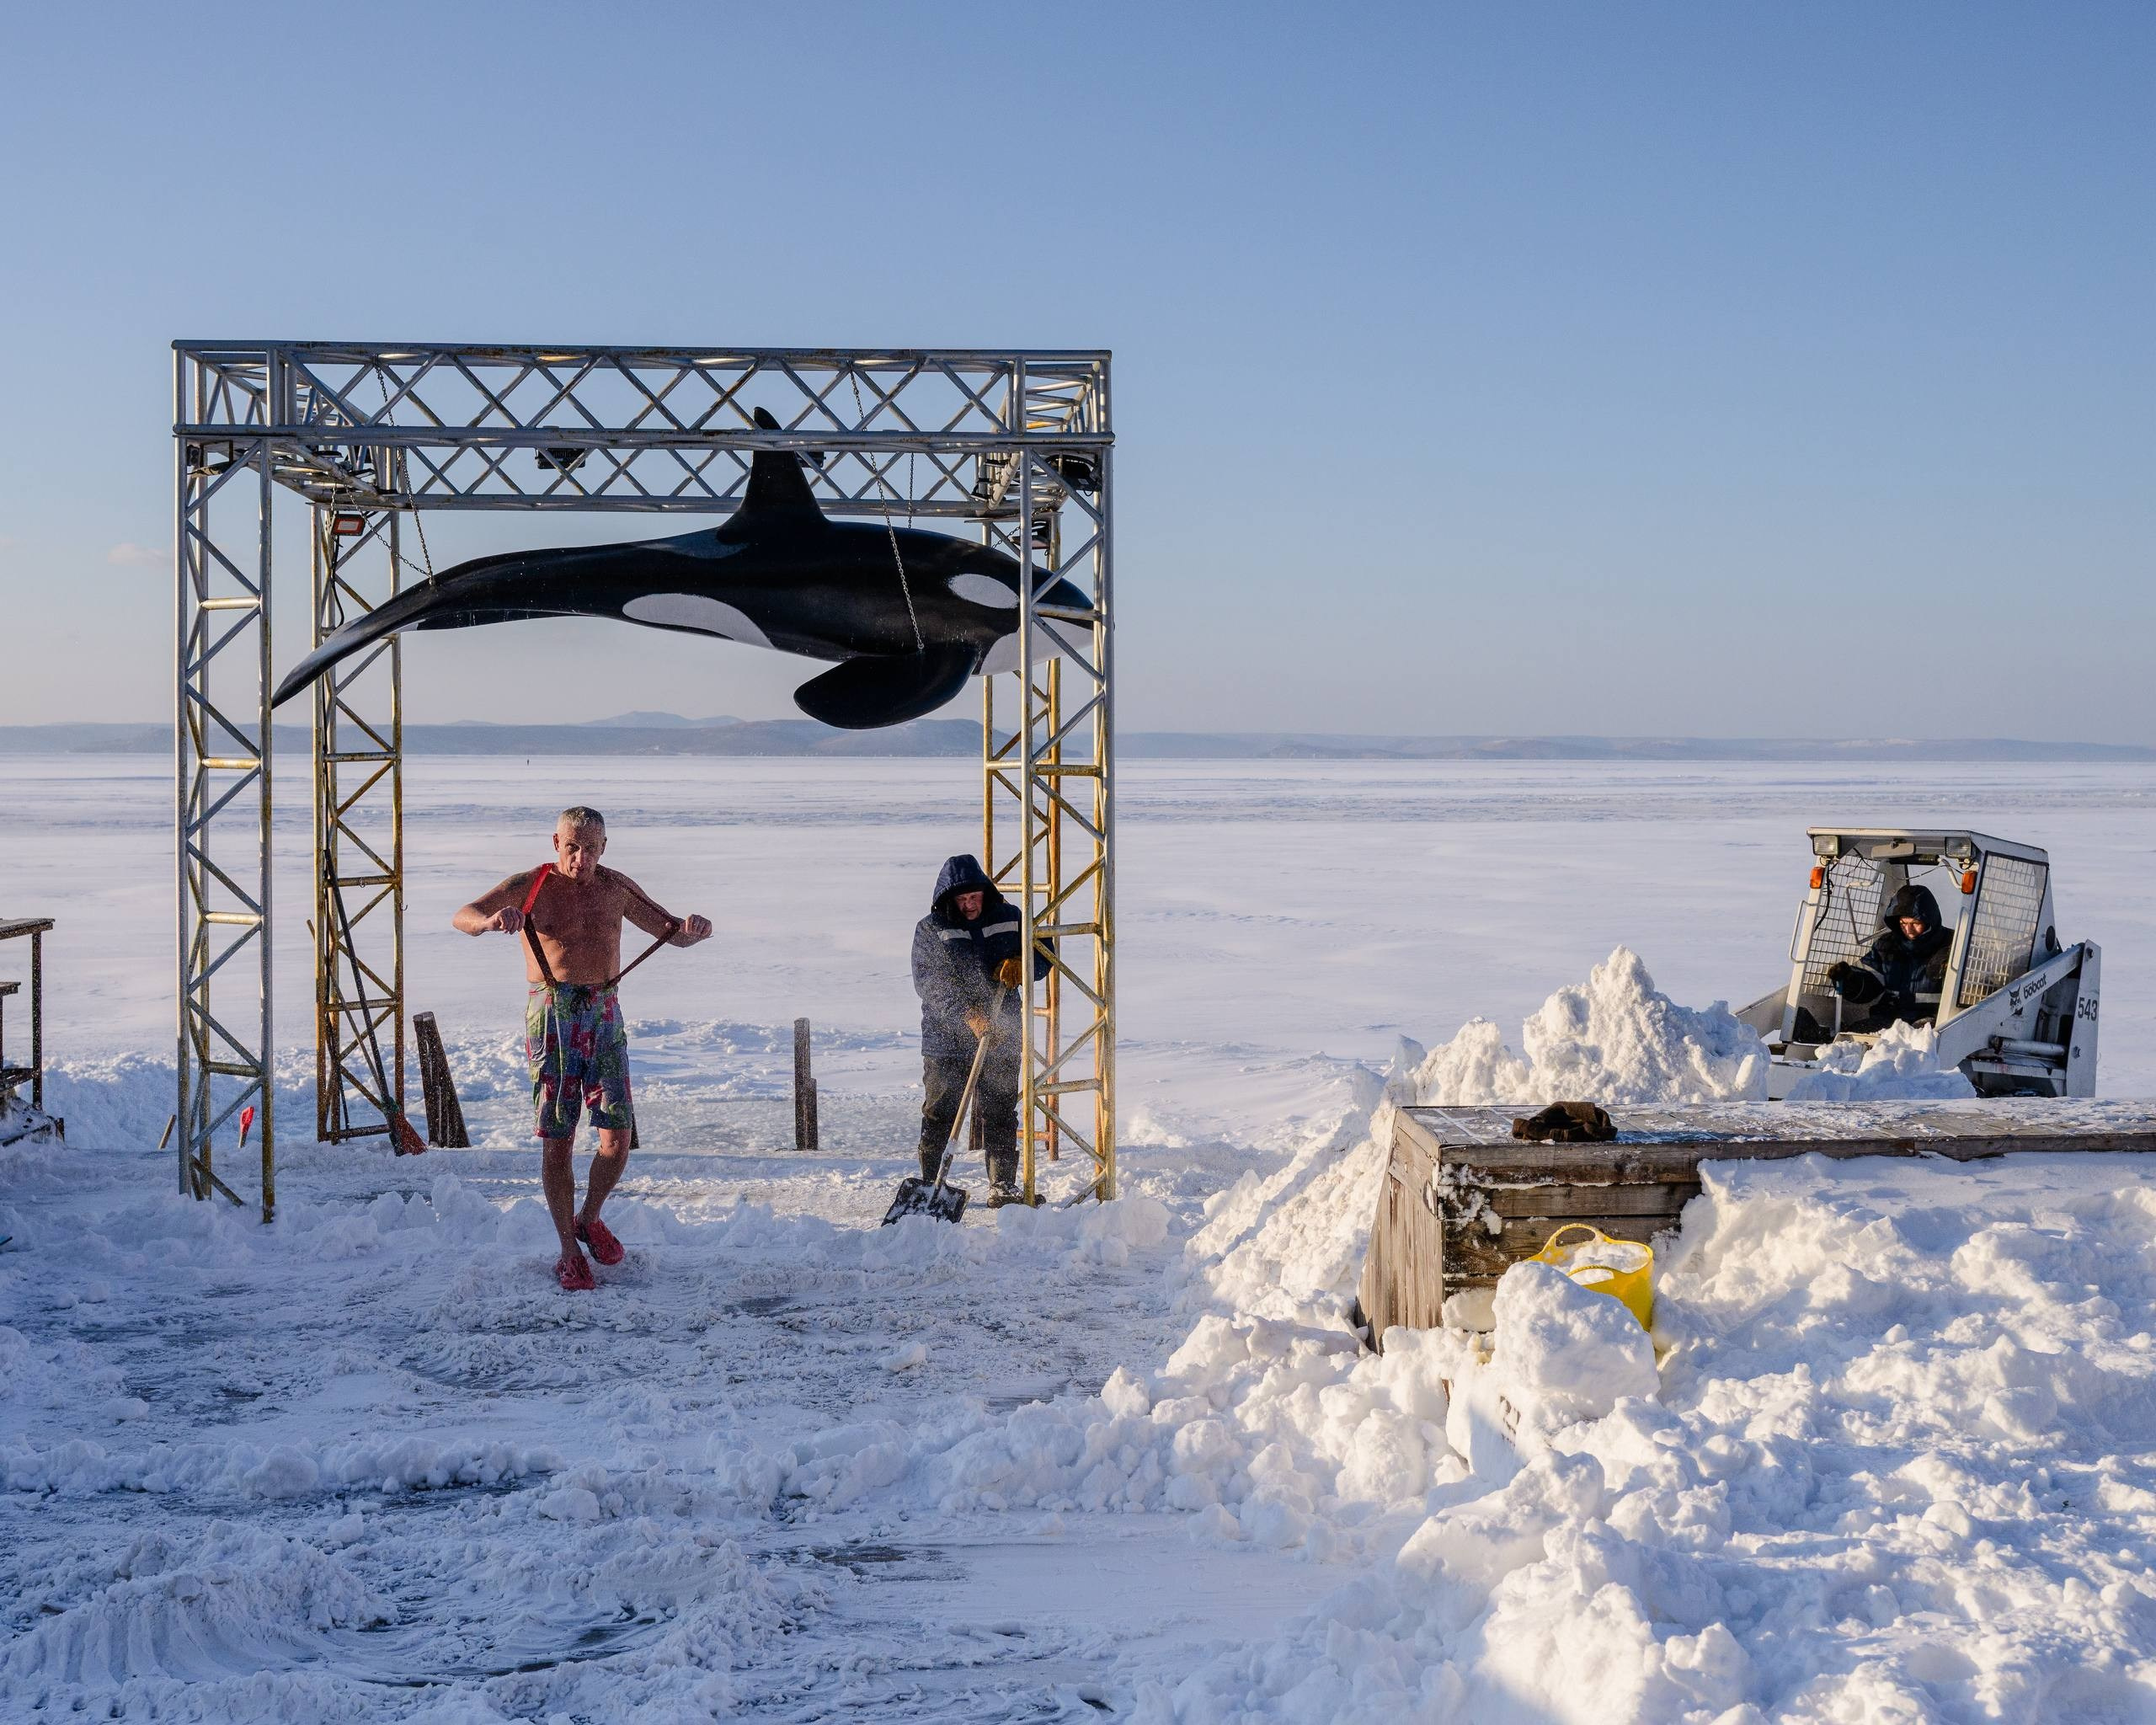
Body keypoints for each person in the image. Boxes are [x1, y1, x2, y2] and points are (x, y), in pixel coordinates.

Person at [453, 806, 711, 1290]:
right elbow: (462, 916)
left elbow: (672, 933)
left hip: (605, 1013)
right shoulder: (530, 885)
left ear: (604, 848)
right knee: (560, 1137)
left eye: (591, 848)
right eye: (572, 846)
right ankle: (568, 1249)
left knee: (618, 1136)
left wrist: (695, 929)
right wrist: (490, 922)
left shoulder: (616, 888)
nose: (581, 857)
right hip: (551, 1014)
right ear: (556, 843)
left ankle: (588, 1218)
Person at [910, 853, 1049, 1205]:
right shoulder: (932, 928)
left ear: (986, 893)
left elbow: (1044, 952)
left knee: (1000, 1109)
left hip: (1001, 1033)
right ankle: (932, 1183)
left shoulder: (1010, 917)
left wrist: (1023, 963)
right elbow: (931, 982)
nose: (969, 905)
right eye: (962, 899)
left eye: (974, 897)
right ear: (949, 898)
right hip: (946, 1040)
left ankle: (1002, 1184)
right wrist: (967, 1014)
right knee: (941, 1111)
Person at [1828, 883, 1954, 1031]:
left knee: (1921, 1036)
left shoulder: (1953, 945)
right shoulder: (1887, 945)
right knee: (1854, 1034)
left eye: (1915, 923)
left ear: (1930, 921)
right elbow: (1870, 985)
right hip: (1890, 1016)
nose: (1909, 930)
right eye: (1903, 923)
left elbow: (1973, 992)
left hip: (1936, 1018)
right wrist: (1849, 980)